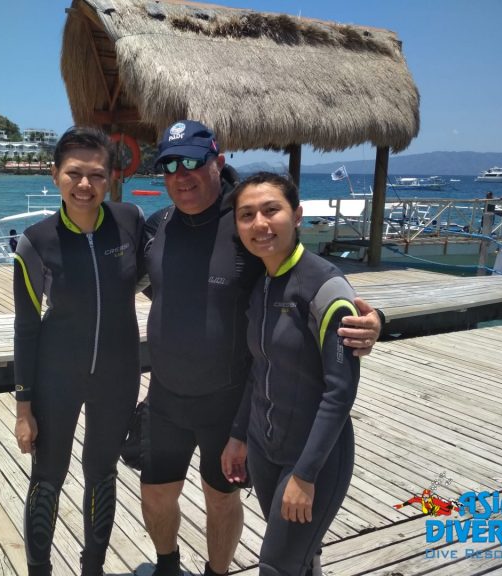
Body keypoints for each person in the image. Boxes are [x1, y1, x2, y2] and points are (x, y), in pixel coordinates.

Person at [140, 120, 382, 576]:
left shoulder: (244, 229)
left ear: (218, 162)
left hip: (228, 398)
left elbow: (305, 281)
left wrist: (373, 319)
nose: (181, 174)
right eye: (170, 165)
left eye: (192, 161)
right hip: (168, 397)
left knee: (222, 499)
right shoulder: (158, 227)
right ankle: (167, 567)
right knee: (154, 493)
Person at [12, 126, 146, 576]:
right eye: (74, 173)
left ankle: (94, 568)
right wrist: (24, 408)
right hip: (57, 377)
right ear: (55, 175)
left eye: (96, 174)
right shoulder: (36, 241)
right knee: (48, 477)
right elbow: (26, 328)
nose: (85, 184)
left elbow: (166, 270)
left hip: (118, 376)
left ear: (111, 178)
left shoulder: (130, 221)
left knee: (102, 473)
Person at [222, 172, 360, 575]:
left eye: (271, 210)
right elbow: (259, 368)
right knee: (302, 559)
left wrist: (305, 473)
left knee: (277, 566)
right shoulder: (261, 285)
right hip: (264, 451)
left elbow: (340, 391)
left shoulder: (325, 286)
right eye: (247, 215)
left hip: (314, 457)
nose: (260, 224)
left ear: (297, 215)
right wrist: (238, 435)